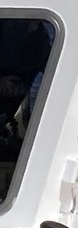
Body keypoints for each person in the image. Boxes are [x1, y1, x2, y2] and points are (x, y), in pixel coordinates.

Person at [0, 19, 54, 156]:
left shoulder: (40, 35)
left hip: (12, 100)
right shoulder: (8, 23)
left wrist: (23, 87)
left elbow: (52, 68)